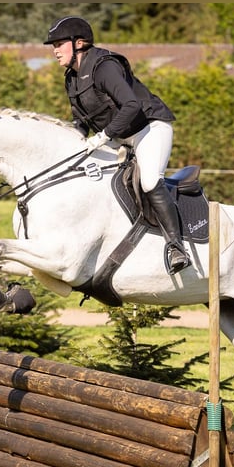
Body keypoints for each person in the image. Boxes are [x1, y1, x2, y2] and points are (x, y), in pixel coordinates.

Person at [44, 16, 191, 275]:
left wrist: (103, 136)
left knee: (149, 182)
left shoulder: (104, 66)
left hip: (149, 128)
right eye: (53, 45)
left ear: (79, 43)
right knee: (90, 176)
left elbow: (132, 106)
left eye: (58, 44)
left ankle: (176, 246)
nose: (54, 51)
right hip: (119, 135)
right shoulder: (72, 77)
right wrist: (72, 146)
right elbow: (81, 120)